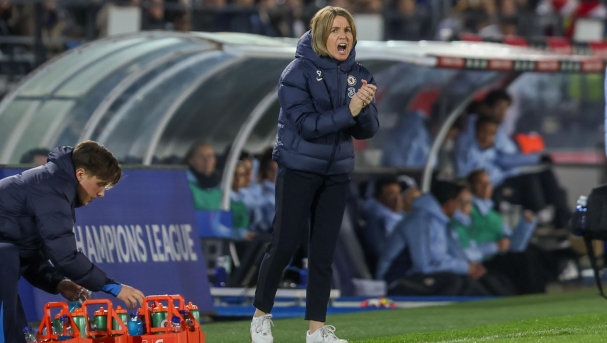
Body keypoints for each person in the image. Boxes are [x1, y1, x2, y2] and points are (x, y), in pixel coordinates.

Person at [250, 6, 379, 343]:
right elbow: (307, 126)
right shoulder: (297, 72)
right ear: (322, 34)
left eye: (348, 31)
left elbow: (368, 130)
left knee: (324, 253)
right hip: (298, 169)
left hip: (336, 173)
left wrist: (363, 110)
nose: (344, 37)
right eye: (336, 30)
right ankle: (261, 318)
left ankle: (317, 331)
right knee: (284, 244)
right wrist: (349, 111)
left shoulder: (359, 74)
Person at [0, 141, 145, 342]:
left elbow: (29, 253)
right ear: (81, 174)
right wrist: (112, 286)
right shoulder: (51, 189)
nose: (102, 193)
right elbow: (65, 256)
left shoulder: (52, 184)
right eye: (101, 184)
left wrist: (59, 283)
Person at [361, 176, 404, 256]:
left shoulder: (396, 212)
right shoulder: (379, 217)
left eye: (398, 193)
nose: (397, 198)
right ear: (379, 196)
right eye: (391, 194)